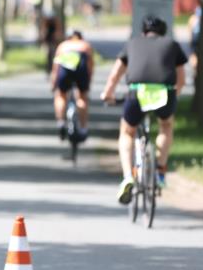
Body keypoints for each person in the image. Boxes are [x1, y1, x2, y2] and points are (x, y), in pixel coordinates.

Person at [101, 14, 187, 203]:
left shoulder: (132, 44)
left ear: (143, 32)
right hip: (164, 93)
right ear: (164, 32)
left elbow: (115, 74)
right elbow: (181, 80)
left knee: (127, 132)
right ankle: (161, 171)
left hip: (137, 92)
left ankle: (127, 177)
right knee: (165, 126)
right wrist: (175, 97)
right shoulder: (172, 45)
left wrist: (107, 93)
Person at [50, 29, 95, 141]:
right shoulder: (85, 45)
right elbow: (90, 66)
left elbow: (56, 68)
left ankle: (60, 122)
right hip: (81, 66)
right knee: (82, 97)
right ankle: (83, 128)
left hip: (64, 67)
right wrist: (88, 81)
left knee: (60, 95)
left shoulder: (63, 46)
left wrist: (53, 83)